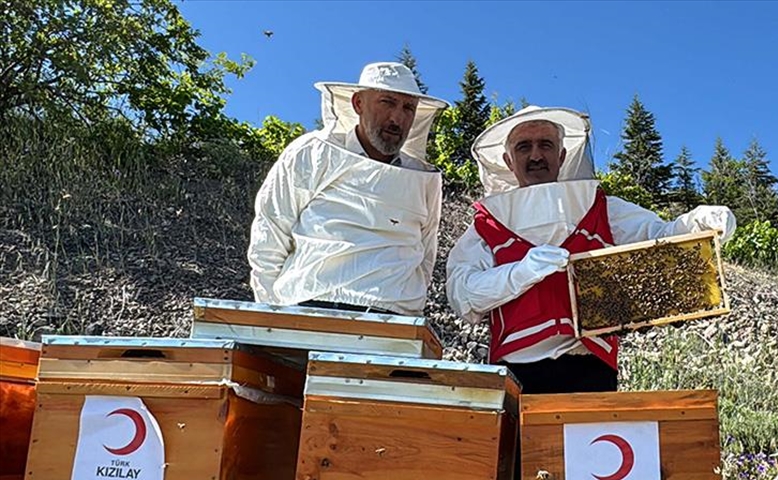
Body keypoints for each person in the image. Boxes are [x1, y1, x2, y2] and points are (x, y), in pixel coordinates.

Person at [446, 106, 736, 395]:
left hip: (591, 370)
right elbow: (463, 294)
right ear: (509, 161)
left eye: (545, 145)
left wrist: (698, 222)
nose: (536, 155)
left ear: (562, 156)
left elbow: (660, 237)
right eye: (524, 147)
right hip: (516, 372)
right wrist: (519, 273)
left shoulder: (601, 207)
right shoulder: (487, 224)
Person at [247, 62, 448, 315]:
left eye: (408, 107)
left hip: (392, 319)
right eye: (387, 102)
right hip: (308, 307)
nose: (398, 118)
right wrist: (269, 317)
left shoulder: (423, 177)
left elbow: (426, 254)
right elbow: (270, 231)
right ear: (358, 104)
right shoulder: (312, 152)